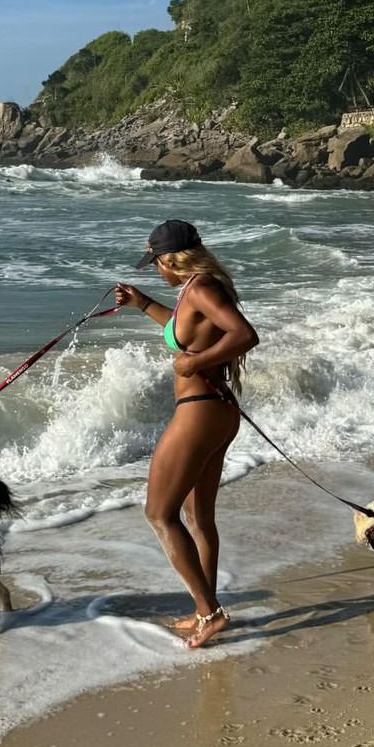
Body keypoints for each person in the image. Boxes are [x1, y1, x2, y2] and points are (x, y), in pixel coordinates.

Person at [115, 219, 258, 649]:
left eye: (156, 262)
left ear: (170, 259)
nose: (155, 269)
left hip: (199, 412)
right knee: (198, 518)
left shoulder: (199, 288)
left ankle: (210, 613)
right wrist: (142, 304)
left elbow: (245, 335)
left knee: (159, 514)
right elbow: (184, 331)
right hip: (216, 413)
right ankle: (204, 611)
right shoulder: (199, 288)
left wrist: (195, 365)